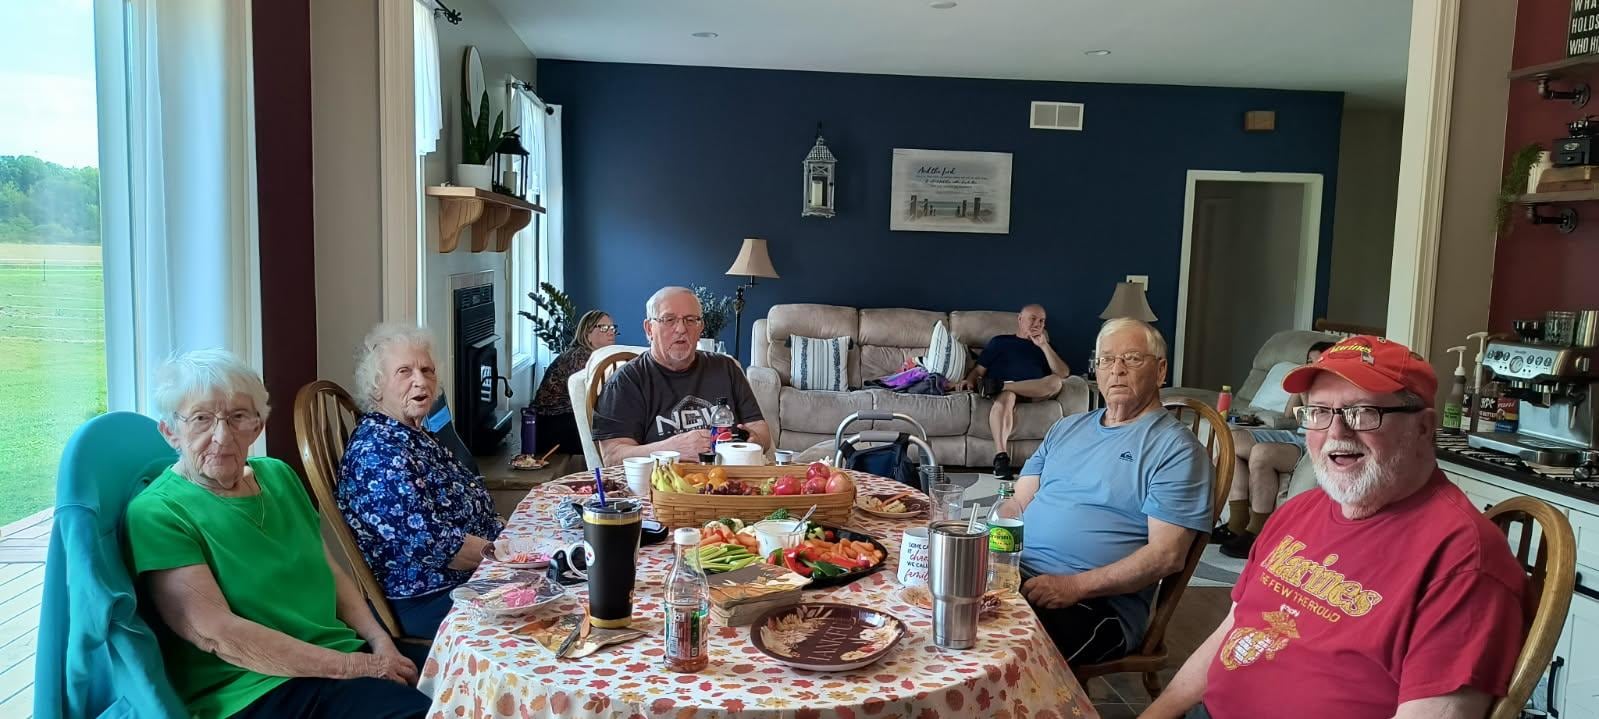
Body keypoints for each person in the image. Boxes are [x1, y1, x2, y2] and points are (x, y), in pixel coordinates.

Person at [1143, 336, 1528, 719]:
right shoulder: (1299, 512)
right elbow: (1231, 630)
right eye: (1319, 412)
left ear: (1424, 428)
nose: (1336, 433)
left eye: (1363, 412)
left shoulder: (1464, 560)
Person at [125, 349, 429, 719]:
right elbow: (218, 634)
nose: (222, 436)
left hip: (341, 657)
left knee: (485, 676)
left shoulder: (278, 475)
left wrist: (381, 642)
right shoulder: (158, 512)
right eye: (202, 419)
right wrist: (357, 668)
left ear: (258, 425)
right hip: (257, 688)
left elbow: (328, 571)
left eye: (238, 417)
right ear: (171, 431)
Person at [1000, 318, 1213, 666]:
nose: (1117, 370)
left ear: (1160, 371)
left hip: (1094, 604)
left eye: (1132, 358)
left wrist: (1073, 587)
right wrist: (991, 559)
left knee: (1001, 653)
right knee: (931, 599)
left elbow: (1166, 556)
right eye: (1106, 360)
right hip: (1017, 577)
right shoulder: (1066, 428)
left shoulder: (1176, 449)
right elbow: (1017, 503)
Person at [337, 323, 504, 638]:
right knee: (552, 601)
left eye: (427, 370)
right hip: (425, 598)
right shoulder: (379, 452)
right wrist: (509, 555)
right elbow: (442, 547)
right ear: (377, 386)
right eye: (404, 371)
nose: (420, 381)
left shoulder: (413, 434)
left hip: (466, 578)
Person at [592, 286, 771, 465]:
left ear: (700, 327)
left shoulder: (726, 368)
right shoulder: (626, 381)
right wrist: (671, 450)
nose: (681, 329)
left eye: (691, 320)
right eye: (669, 319)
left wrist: (754, 442)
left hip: (730, 482)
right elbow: (612, 457)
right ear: (649, 329)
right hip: (665, 486)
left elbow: (760, 429)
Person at [1214, 341, 1336, 558]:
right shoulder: (1306, 382)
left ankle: (1257, 531)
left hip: (1311, 440)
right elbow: (1290, 415)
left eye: (1318, 361)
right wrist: (1302, 387)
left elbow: (1316, 422)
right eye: (1309, 361)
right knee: (1231, 441)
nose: (1312, 365)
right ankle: (1237, 522)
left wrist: (1310, 393)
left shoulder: (1336, 388)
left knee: (1262, 453)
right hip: (1293, 433)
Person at [952, 304, 1070, 476]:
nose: (1037, 324)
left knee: (1056, 382)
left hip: (1033, 391)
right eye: (1032, 319)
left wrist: (1044, 346)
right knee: (1007, 396)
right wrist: (968, 381)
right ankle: (1001, 457)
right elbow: (978, 370)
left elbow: (1063, 373)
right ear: (1020, 319)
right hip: (1007, 393)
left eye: (1042, 321)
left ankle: (1001, 385)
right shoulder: (1000, 342)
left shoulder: (1046, 346)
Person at [530, 309, 618, 458]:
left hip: (567, 418)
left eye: (612, 327)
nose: (611, 332)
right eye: (603, 328)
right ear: (587, 334)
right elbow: (594, 397)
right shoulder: (580, 357)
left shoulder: (594, 356)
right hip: (554, 423)